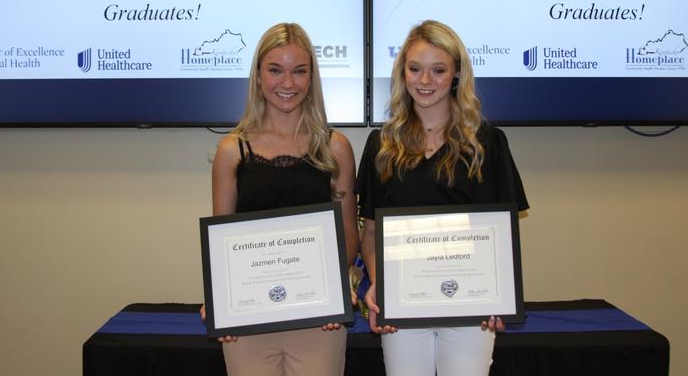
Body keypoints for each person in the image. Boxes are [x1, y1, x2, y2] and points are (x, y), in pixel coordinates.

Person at [356, 20, 529, 376]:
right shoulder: (381, 145)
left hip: (470, 306)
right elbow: (371, 234)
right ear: (402, 72)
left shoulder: (488, 143)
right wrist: (380, 285)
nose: (424, 81)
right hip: (404, 303)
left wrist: (499, 295)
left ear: (456, 75)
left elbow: (501, 234)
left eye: (438, 70)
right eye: (415, 69)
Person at [208, 22, 359, 376]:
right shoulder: (232, 150)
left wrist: (334, 286)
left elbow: (349, 230)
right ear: (258, 76)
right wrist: (220, 300)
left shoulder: (335, 146)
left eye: (299, 72)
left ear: (311, 78)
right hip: (248, 321)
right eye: (275, 70)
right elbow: (222, 239)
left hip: (319, 319)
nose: (288, 83)